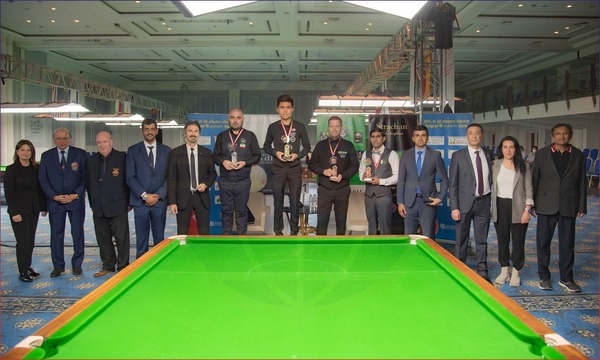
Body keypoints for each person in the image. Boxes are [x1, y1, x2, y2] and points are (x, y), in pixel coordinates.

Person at [532, 123, 587, 293]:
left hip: (568, 205)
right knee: (543, 243)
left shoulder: (578, 155)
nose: (561, 136)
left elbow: (582, 182)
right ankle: (544, 277)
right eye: (558, 134)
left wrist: (582, 205)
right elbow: (535, 179)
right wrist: (532, 203)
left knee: (567, 244)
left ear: (570, 135)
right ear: (552, 136)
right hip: (545, 204)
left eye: (565, 134)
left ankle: (567, 278)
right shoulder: (542, 154)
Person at [39, 128, 87, 278]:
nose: (62, 141)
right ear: (54, 139)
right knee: (56, 235)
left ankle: (77, 265)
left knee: (77, 233)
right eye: (58, 138)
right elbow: (43, 180)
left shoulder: (80, 154)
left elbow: (86, 177)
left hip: (75, 201)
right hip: (56, 203)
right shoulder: (46, 156)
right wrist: (54, 197)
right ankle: (58, 266)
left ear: (70, 138)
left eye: (64, 138)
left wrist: (76, 194)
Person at [448, 123, 493, 282]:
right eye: (471, 133)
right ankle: (461, 270)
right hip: (464, 203)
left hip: (484, 202)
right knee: (462, 239)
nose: (474, 136)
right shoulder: (458, 156)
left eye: (477, 133)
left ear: (482, 135)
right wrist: (454, 207)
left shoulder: (488, 154)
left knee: (482, 239)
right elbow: (452, 184)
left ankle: (482, 270)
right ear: (466, 136)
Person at [263, 94, 311, 235]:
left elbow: (307, 147)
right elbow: (266, 146)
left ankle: (294, 233)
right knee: (278, 201)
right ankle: (278, 232)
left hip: (295, 168)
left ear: (293, 109)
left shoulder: (300, 127)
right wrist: (275, 152)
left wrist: (298, 155)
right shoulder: (273, 127)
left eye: (288, 108)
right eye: (282, 107)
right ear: (277, 109)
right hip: (278, 168)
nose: (285, 111)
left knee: (295, 202)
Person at [86, 131, 130, 277]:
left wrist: (129, 203)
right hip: (98, 207)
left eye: (104, 142)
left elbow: (128, 181)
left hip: (118, 206)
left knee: (121, 239)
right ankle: (108, 265)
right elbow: (89, 183)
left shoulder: (122, 158)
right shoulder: (91, 160)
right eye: (99, 142)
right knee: (103, 239)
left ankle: (123, 266)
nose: (102, 145)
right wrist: (92, 203)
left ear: (111, 142)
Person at [491, 136, 533, 287]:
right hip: (500, 206)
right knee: (502, 240)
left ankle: (516, 272)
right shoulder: (495, 165)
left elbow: (529, 189)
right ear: (501, 149)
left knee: (518, 241)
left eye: (511, 147)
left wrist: (527, 210)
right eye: (505, 147)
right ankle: (504, 270)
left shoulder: (524, 166)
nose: (508, 150)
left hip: (519, 208)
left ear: (516, 149)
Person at [126, 118, 171, 258]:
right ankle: (141, 265)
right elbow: (130, 177)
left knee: (159, 238)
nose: (149, 132)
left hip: (159, 202)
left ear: (157, 131)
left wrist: (157, 196)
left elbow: (169, 177)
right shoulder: (133, 151)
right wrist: (145, 195)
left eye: (152, 129)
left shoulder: (167, 151)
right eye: (146, 129)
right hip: (140, 203)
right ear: (142, 130)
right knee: (141, 239)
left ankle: (159, 265)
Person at [3, 140, 47, 282]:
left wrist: (44, 206)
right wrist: (14, 212)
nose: (25, 153)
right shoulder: (11, 169)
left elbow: (40, 190)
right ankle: (22, 271)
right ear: (17, 152)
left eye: (28, 150)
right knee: (22, 242)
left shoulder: (36, 168)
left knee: (31, 241)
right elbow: (9, 193)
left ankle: (27, 266)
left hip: (33, 210)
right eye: (22, 150)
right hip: (18, 212)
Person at [213, 108, 261, 235]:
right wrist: (223, 162)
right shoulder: (222, 136)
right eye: (232, 117)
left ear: (243, 119)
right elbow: (215, 156)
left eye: (238, 118)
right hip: (225, 180)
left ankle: (242, 240)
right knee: (226, 211)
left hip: (243, 180)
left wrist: (245, 163)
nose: (235, 120)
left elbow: (257, 156)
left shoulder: (250, 136)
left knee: (241, 211)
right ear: (228, 119)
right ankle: (226, 239)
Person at [308, 116, 358, 235]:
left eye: (337, 126)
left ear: (341, 128)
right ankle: (320, 251)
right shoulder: (320, 145)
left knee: (341, 223)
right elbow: (311, 164)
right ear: (328, 128)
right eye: (332, 126)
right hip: (325, 189)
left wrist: (343, 175)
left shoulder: (349, 145)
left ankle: (340, 251)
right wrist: (323, 171)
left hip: (342, 188)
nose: (334, 129)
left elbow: (354, 166)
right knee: (321, 222)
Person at [397, 125, 448, 239]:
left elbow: (444, 179)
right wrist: (400, 202)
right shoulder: (405, 155)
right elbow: (401, 180)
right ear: (413, 138)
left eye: (423, 135)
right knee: (409, 237)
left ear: (427, 138)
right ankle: (410, 257)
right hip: (409, 203)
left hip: (428, 202)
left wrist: (440, 198)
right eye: (417, 135)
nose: (420, 138)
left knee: (428, 237)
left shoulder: (435, 155)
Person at [168, 120, 217, 235]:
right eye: (190, 131)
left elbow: (213, 174)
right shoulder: (175, 153)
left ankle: (204, 253)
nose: (193, 134)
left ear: (199, 134)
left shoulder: (207, 153)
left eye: (196, 131)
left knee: (204, 233)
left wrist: (205, 184)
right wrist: (172, 202)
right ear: (185, 133)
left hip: (202, 198)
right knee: (182, 234)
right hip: (183, 198)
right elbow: (171, 179)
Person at [358, 128, 399, 235]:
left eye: (378, 136)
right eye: (373, 137)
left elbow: (397, 176)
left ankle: (386, 250)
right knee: (371, 226)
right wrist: (363, 177)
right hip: (369, 196)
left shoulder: (392, 154)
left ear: (383, 138)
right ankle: (372, 250)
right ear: (370, 139)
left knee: (386, 226)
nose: (375, 139)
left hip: (384, 196)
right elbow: (361, 172)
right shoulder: (365, 154)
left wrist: (380, 181)